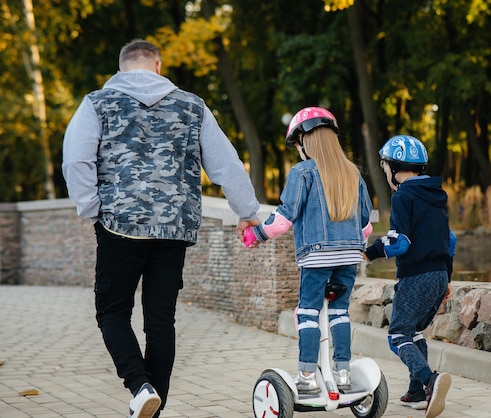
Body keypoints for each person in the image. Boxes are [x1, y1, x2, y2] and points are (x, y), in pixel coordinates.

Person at [62, 39, 260, 418]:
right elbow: (226, 165)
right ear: (158, 66)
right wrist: (248, 211)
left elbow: (76, 161)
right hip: (174, 228)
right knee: (160, 319)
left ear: (121, 68)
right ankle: (153, 404)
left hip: (119, 225)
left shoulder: (97, 103)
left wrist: (92, 210)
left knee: (112, 311)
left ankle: (140, 386)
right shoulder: (192, 105)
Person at [243, 107, 373, 394]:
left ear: (305, 141)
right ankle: (342, 373)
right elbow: (366, 224)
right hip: (350, 256)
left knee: (308, 313)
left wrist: (256, 234)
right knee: (340, 312)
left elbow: (283, 219)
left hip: (317, 256)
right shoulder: (353, 173)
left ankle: (307, 376)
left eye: (298, 142)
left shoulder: (302, 173)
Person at [363, 134, 453, 418]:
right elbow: (450, 241)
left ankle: (430, 380)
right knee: (414, 332)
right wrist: (446, 278)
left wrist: (370, 252)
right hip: (439, 274)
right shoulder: (436, 195)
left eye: (385, 166)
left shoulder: (403, 196)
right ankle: (416, 392)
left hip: (416, 276)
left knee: (398, 335)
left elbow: (400, 242)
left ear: (393, 166)